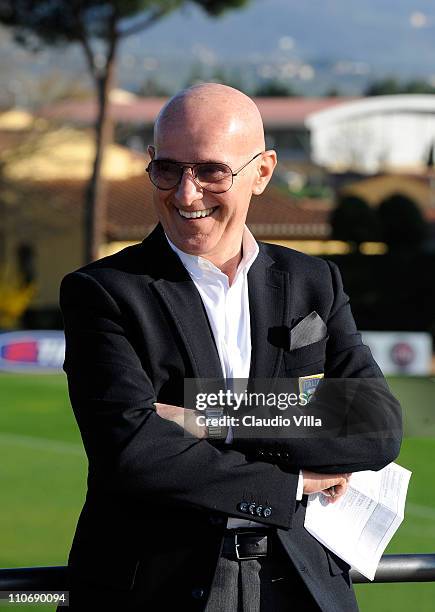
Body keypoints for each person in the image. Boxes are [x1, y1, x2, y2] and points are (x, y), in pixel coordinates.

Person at [58, 83, 402, 611]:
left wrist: (211, 415)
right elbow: (134, 452)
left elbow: (375, 426)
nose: (186, 193)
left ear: (262, 172)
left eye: (212, 171)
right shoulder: (103, 291)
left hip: (301, 585)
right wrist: (294, 482)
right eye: (168, 169)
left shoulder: (314, 281)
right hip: (157, 589)